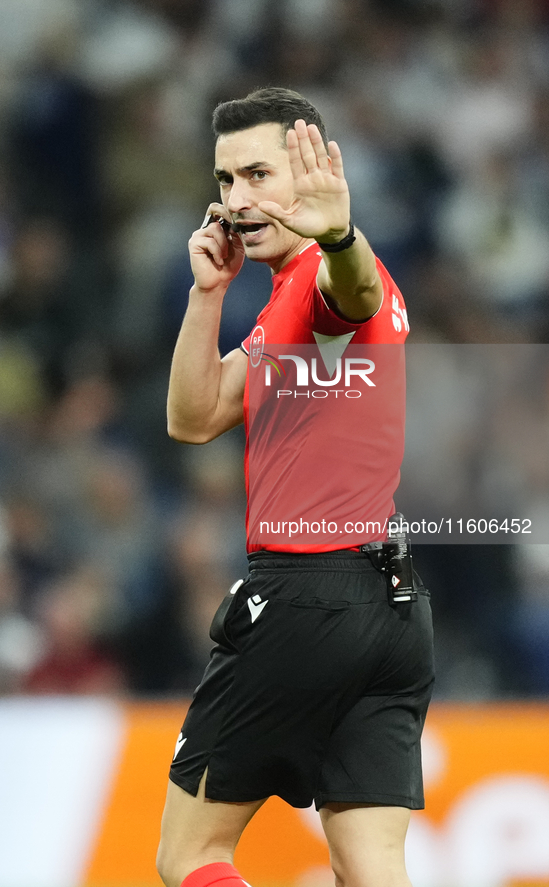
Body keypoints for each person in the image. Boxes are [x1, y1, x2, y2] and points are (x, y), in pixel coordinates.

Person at [158, 88, 434, 887]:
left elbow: (356, 295)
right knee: (369, 864)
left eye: (258, 173)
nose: (238, 200)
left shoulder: (326, 277)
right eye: (225, 179)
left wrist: (340, 233)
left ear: (310, 172)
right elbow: (195, 414)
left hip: (304, 594)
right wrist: (206, 294)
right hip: (391, 608)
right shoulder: (281, 302)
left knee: (190, 854)